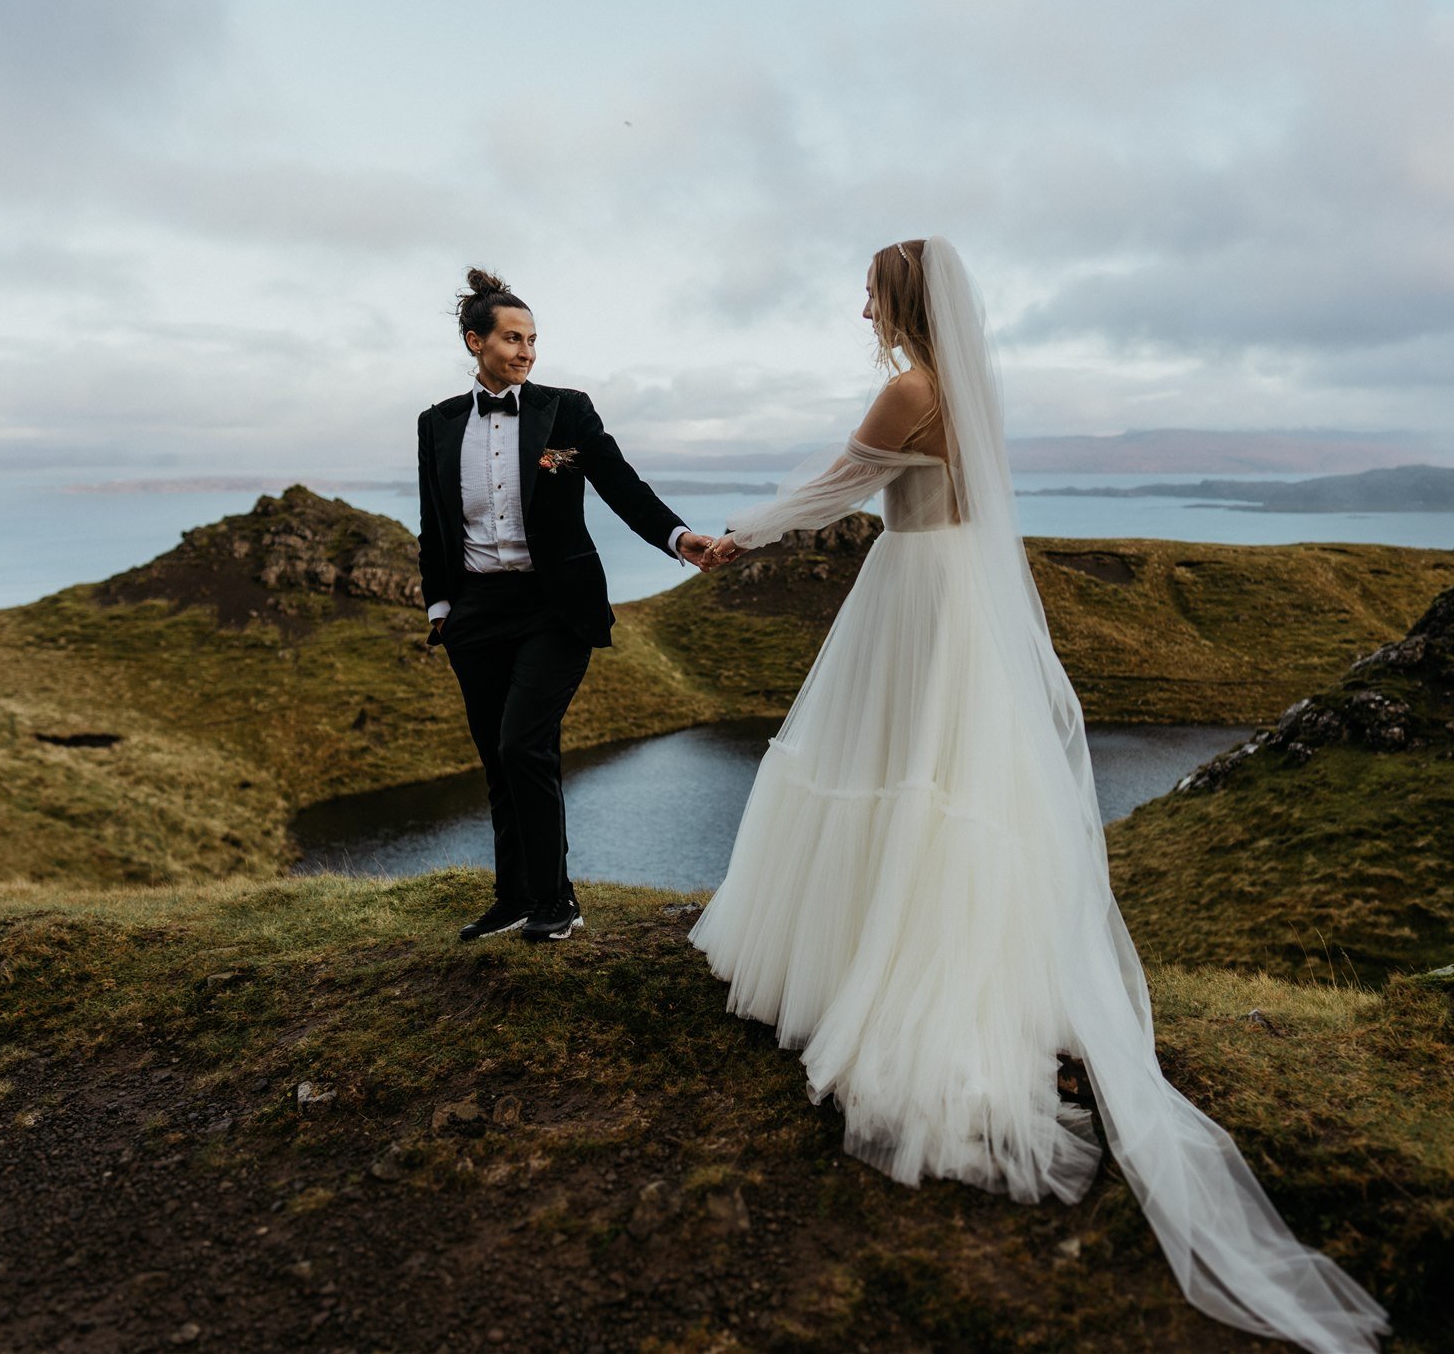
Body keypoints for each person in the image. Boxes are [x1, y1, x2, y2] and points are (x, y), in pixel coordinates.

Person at [691, 239, 1391, 1353]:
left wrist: (727, 537)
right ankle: (935, 955)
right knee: (947, 782)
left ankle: (884, 979)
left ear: (901, 300)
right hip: (959, 590)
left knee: (892, 772)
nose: (859, 302)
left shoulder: (910, 386)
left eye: (870, 286)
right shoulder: (963, 387)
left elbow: (834, 489)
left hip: (914, 595)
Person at [417, 269, 716, 943]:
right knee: (498, 758)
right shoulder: (436, 425)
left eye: (532, 339)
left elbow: (618, 482)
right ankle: (513, 897)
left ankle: (557, 899)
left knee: (525, 743)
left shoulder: (565, 411)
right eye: (512, 338)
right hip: (476, 611)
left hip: (555, 606)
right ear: (475, 341)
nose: (526, 350)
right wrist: (440, 606)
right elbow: (434, 522)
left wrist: (678, 537)